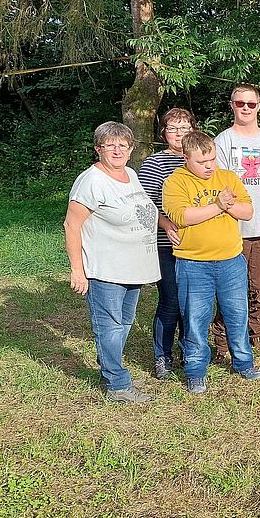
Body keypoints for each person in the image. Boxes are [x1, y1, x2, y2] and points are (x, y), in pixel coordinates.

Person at [64, 122, 160, 403]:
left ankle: (110, 367)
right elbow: (71, 225)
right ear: (98, 149)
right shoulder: (91, 181)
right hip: (106, 269)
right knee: (110, 326)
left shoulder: (130, 174)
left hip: (132, 268)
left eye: (123, 145)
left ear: (131, 149)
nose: (117, 150)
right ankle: (117, 384)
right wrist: (77, 270)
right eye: (110, 145)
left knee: (125, 322)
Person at [163, 131, 260, 394]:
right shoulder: (175, 182)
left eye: (212, 159)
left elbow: (247, 211)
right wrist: (220, 205)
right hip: (193, 263)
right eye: (202, 162)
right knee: (195, 319)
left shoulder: (228, 177)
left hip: (231, 260)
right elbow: (183, 216)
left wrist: (225, 205)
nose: (209, 166)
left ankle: (244, 363)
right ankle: (196, 371)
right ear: (186, 159)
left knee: (237, 315)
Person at [212, 83, 260, 357]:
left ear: (259, 107)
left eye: (251, 104)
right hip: (231, 230)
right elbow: (218, 186)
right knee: (230, 289)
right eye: (240, 103)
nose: (245, 108)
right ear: (232, 105)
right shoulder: (223, 141)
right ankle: (223, 342)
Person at [138, 107, 197, 380]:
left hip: (197, 244)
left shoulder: (199, 160)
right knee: (171, 299)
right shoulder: (155, 163)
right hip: (167, 244)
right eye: (172, 128)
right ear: (163, 132)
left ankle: (189, 350)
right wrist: (165, 224)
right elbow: (145, 204)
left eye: (184, 128)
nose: (179, 133)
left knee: (192, 300)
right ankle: (162, 355)